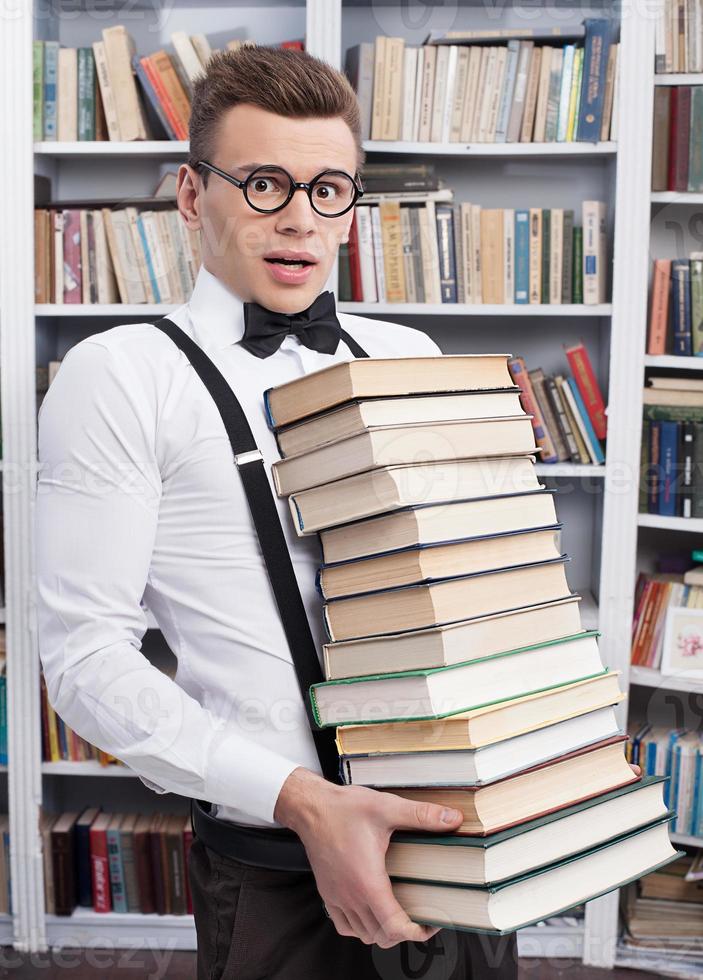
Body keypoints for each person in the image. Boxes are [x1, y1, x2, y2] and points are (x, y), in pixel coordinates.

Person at [36, 43, 625, 980]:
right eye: (264, 184)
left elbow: (464, 596)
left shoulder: (408, 351)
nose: (301, 221)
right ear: (193, 196)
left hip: (458, 839)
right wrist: (305, 803)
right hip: (276, 862)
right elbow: (83, 660)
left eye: (330, 190)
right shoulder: (120, 376)